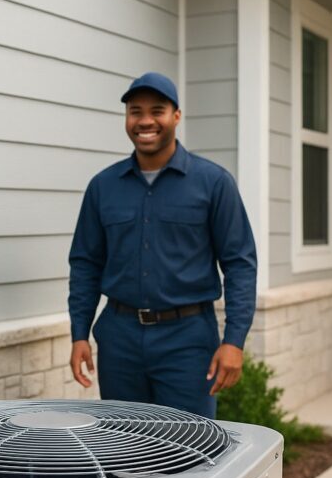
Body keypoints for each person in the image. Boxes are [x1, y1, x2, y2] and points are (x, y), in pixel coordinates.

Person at [68, 72, 257, 418]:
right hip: (119, 337)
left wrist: (234, 341)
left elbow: (240, 263)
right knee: (123, 447)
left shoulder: (213, 183)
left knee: (190, 446)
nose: (145, 121)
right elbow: (85, 264)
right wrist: (79, 333)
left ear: (176, 116)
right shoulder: (103, 187)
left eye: (157, 110)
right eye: (135, 111)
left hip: (187, 339)